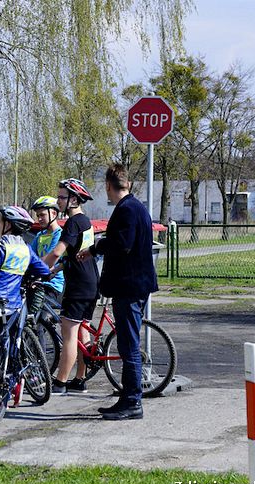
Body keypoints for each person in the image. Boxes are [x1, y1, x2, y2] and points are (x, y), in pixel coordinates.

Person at [77, 163, 158, 420]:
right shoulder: (136, 207)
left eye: (107, 190)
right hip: (135, 285)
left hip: (129, 286)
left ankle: (132, 401)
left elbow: (122, 244)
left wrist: (96, 247)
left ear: (109, 186)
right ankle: (127, 399)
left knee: (129, 346)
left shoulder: (127, 210)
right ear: (129, 184)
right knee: (127, 344)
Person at [43, 178, 99, 395]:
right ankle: (79, 380)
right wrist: (55, 270)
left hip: (78, 287)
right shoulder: (86, 221)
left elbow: (58, 251)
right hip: (91, 282)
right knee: (81, 333)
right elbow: (73, 256)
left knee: (68, 335)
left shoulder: (73, 223)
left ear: (74, 199)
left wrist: (38, 268)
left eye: (61, 197)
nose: (58, 202)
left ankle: (60, 382)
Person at [0, 206, 51, 359]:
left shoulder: (0, 246)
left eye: (0, 222)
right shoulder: (26, 249)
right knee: (11, 342)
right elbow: (44, 270)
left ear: (8, 225)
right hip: (14, 304)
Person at [27, 196, 64, 321]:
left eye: (42, 215)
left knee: (38, 322)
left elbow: (49, 259)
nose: (40, 219)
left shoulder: (59, 235)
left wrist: (33, 268)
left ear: (53, 213)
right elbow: (30, 256)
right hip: (37, 281)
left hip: (51, 283)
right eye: (38, 216)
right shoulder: (40, 235)